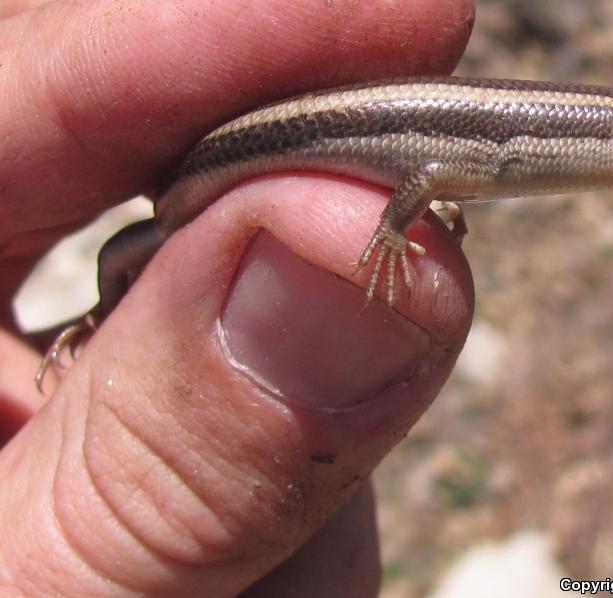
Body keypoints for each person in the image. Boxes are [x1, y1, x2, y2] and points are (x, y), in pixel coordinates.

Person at [0, 0, 476, 595]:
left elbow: (428, 171)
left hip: (236, 170)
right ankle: (98, 317)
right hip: (203, 174)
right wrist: (387, 230)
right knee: (122, 256)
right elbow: (424, 172)